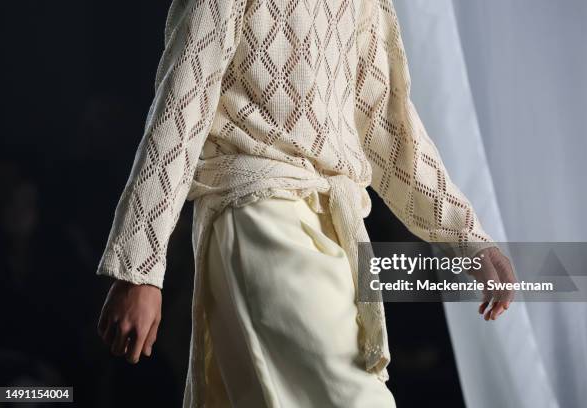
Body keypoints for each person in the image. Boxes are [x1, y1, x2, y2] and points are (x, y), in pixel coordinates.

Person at [96, 0, 515, 406]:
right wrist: (140, 266)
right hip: (260, 219)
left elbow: (388, 126)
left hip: (330, 227)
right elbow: (183, 97)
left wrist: (466, 237)